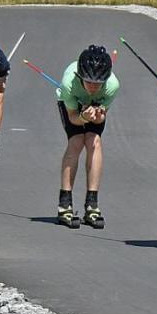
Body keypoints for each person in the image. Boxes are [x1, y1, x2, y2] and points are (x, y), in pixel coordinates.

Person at [56, 45, 119, 230]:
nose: (93, 87)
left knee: (94, 141)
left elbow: (102, 115)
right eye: (89, 82)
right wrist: (83, 116)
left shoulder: (112, 85)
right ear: (80, 77)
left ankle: (92, 204)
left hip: (95, 106)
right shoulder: (69, 83)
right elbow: (73, 118)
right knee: (76, 141)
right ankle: (65, 203)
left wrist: (98, 115)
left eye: (98, 83)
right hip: (72, 103)